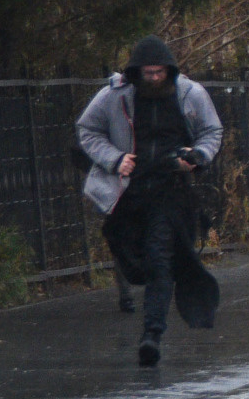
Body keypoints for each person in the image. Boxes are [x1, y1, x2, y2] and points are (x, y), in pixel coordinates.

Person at [76, 36, 225, 369]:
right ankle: (145, 299)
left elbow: (212, 131)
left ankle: (151, 335)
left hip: (172, 191)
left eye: (160, 72)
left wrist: (197, 156)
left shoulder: (191, 94)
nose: (154, 78)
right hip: (128, 192)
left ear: (169, 71)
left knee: (160, 260)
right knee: (132, 258)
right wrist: (115, 159)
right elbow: (87, 129)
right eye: (148, 72)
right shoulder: (115, 97)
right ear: (136, 72)